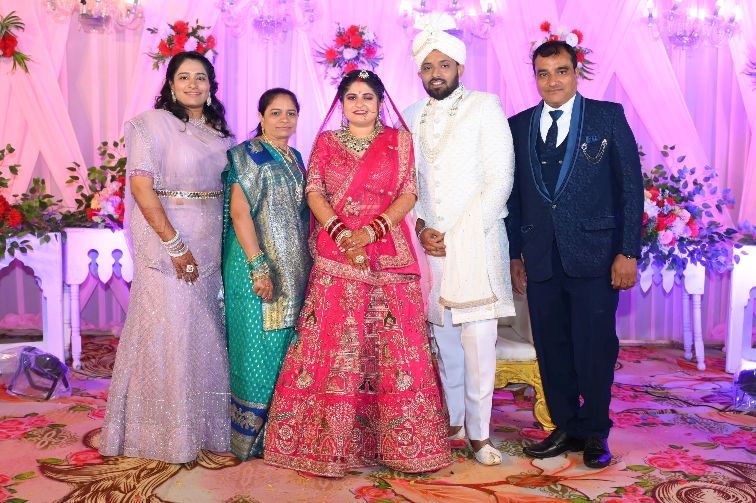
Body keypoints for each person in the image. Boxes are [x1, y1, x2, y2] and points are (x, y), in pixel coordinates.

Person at [263, 69, 452, 477]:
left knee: (393, 346)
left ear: (380, 102)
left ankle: (402, 445)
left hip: (387, 250)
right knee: (336, 343)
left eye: (368, 96)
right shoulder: (327, 142)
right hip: (337, 250)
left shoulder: (400, 141)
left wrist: (370, 232)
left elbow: (408, 192)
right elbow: (314, 190)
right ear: (342, 103)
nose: (360, 104)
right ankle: (329, 443)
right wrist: (341, 232)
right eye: (352, 97)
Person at [506, 40, 643, 469]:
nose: (553, 81)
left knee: (594, 348)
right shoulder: (518, 125)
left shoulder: (607, 116)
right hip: (541, 258)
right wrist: (514, 254)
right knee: (552, 347)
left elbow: (631, 188)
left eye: (561, 71)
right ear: (535, 77)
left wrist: (627, 252)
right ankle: (565, 426)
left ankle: (596, 430)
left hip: (596, 257)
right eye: (543, 73)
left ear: (576, 72)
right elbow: (513, 195)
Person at [100, 51, 234, 464]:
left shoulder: (218, 134)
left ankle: (202, 429)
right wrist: (174, 244)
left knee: (202, 334)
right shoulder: (150, 125)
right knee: (169, 329)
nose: (193, 84)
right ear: (171, 85)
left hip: (209, 241)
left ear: (211, 86)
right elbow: (142, 188)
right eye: (184, 77)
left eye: (201, 77)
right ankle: (161, 433)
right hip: (167, 239)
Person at [402, 14, 515, 466]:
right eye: (428, 67)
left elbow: (500, 178)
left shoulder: (485, 106)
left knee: (479, 341)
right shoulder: (410, 115)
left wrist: (459, 234)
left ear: (460, 68)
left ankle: (481, 433)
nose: (436, 74)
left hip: (478, 241)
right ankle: (452, 419)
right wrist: (421, 226)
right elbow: (408, 183)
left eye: (444, 65)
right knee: (444, 339)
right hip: (431, 245)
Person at [222, 88, 311, 460]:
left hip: (292, 269)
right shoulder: (247, 155)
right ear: (261, 116)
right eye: (276, 113)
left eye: (291, 113)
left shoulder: (296, 157)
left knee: (283, 348)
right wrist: (259, 267)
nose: (284, 120)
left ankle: (278, 434)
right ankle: (248, 439)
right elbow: (239, 213)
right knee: (255, 348)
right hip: (254, 266)